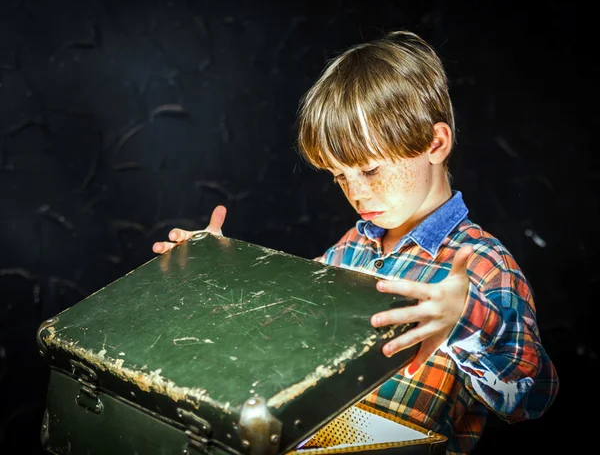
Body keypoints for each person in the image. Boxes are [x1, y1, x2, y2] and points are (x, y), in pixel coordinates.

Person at [152, 30, 559, 454]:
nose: (357, 193)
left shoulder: (484, 264)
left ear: (435, 144)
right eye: (339, 176)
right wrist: (215, 271)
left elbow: (531, 401)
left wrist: (469, 322)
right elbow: (277, 330)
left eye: (369, 170)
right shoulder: (348, 249)